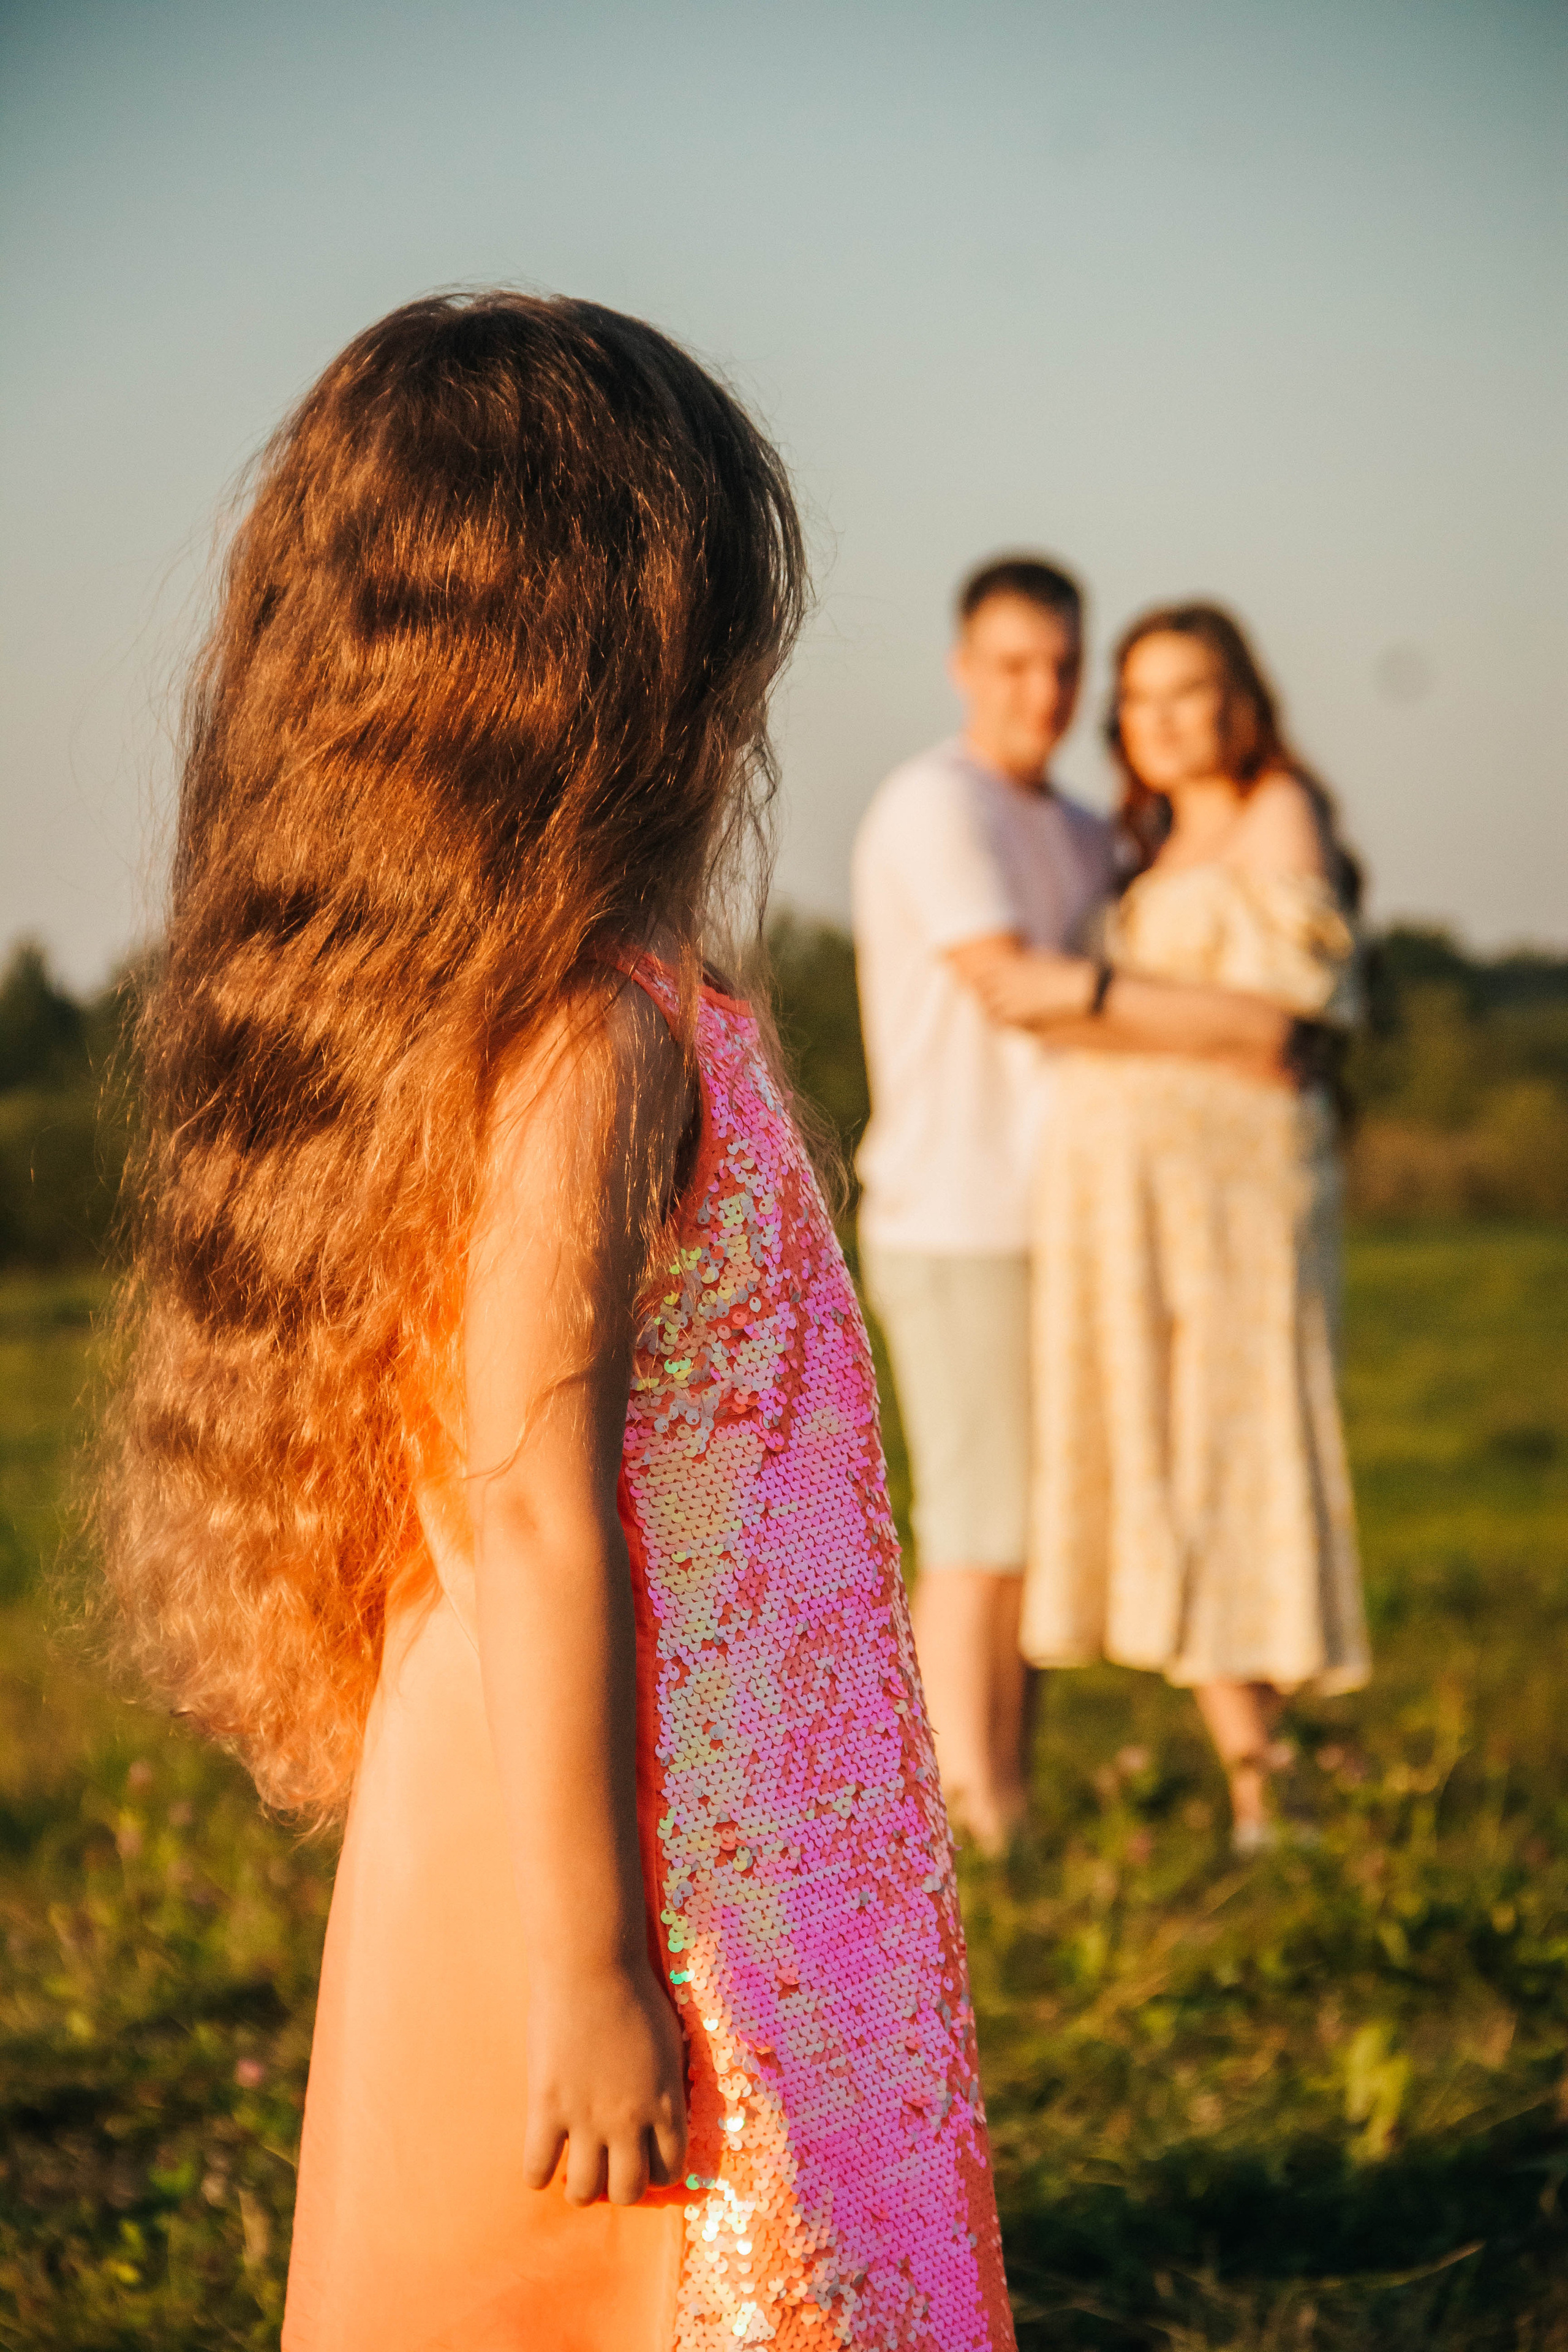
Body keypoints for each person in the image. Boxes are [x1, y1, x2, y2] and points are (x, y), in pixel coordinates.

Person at [97, 295, 1015, 2351]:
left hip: (714, 1799)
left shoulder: (614, 1019)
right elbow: (531, 1511)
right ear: (617, 658)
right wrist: (594, 1967)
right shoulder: (585, 1054)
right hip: (614, 1852)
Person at [973, 604, 1371, 1852]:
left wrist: (1088, 1000)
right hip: (1134, 1207)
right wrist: (1141, 1014)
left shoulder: (1277, 812)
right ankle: (1267, 1776)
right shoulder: (1137, 848)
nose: (1159, 720)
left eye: (1187, 691)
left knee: (1237, 1448)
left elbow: (1274, 1025)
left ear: (1240, 701)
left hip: (1235, 1206)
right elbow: (1193, 1021)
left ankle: (1274, 1780)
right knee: (1172, 1455)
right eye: (1137, 699)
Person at [850, 557, 1115, 1852]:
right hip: (953, 1213)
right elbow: (1006, 982)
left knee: (1036, 1530)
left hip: (1056, 1219)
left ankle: (1001, 1790)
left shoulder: (1078, 828)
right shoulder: (930, 802)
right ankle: (967, 1819)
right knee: (976, 1525)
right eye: (1013, 663)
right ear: (963, 667)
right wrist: (1234, 1023)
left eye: (1062, 664)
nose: (1042, 690)